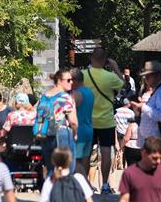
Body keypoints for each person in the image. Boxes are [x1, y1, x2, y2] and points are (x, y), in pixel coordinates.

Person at [82, 47, 124, 193]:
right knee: (106, 152)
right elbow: (124, 84)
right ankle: (105, 184)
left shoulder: (83, 75)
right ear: (105, 61)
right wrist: (115, 67)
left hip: (87, 120)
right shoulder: (110, 77)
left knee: (86, 153)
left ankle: (85, 183)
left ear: (91, 58)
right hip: (106, 121)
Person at [129, 61, 161, 166]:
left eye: (148, 76)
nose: (145, 79)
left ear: (157, 76)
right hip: (157, 141)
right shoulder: (160, 90)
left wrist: (143, 107)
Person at [33, 69, 78, 174]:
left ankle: (51, 188)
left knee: (50, 168)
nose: (71, 82)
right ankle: (64, 189)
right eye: (68, 80)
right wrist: (75, 133)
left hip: (45, 134)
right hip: (62, 134)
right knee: (67, 168)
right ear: (59, 81)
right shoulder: (66, 98)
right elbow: (73, 122)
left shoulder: (44, 96)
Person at [70, 69, 94, 177]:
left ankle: (83, 184)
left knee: (76, 161)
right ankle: (84, 183)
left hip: (79, 131)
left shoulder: (76, 94)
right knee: (85, 160)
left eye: (70, 80)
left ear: (74, 80)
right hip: (89, 128)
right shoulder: (89, 92)